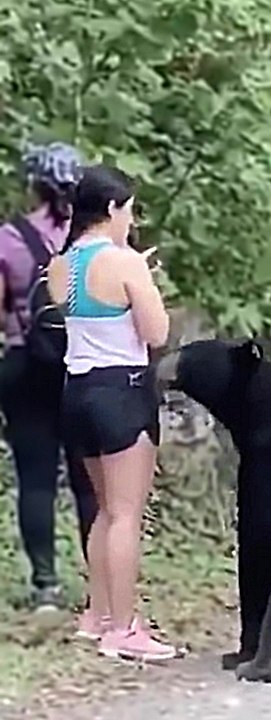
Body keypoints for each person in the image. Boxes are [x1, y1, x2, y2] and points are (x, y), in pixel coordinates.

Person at [48, 164, 176, 662]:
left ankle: (96, 615)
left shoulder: (61, 264)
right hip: (121, 390)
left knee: (104, 509)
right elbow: (156, 331)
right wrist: (142, 278)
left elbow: (84, 307)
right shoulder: (126, 262)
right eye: (128, 209)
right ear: (111, 209)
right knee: (126, 514)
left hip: (77, 389)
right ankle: (124, 628)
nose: (130, 219)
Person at [0, 143, 98, 612]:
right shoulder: (93, 239)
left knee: (36, 478)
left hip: (25, 368)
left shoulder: (9, 239)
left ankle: (45, 585)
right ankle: (101, 582)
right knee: (89, 479)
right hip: (84, 365)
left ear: (33, 184)